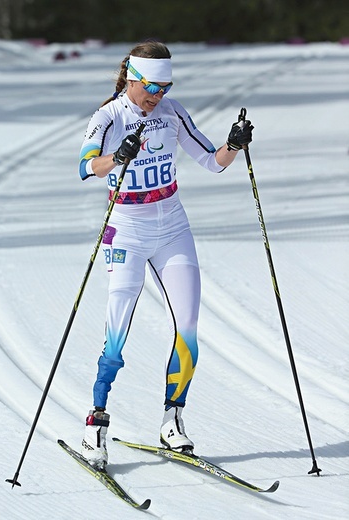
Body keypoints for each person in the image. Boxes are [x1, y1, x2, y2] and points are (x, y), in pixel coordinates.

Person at [79, 40, 253, 470]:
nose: (158, 94)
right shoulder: (109, 116)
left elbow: (213, 162)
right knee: (117, 332)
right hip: (128, 228)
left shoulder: (172, 112)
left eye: (165, 85)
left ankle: (172, 419)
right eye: (152, 86)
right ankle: (96, 422)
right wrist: (114, 158)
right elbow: (85, 166)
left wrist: (234, 144)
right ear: (133, 78)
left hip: (172, 224)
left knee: (189, 326)